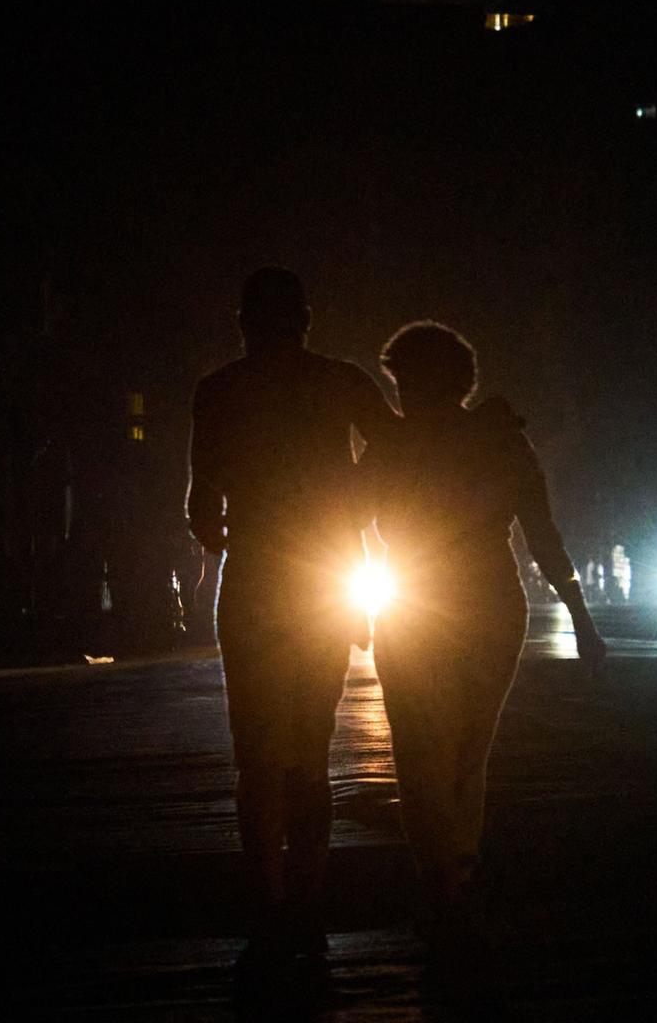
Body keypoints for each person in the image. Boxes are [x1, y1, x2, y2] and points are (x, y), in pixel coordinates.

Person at [361, 321, 606, 968]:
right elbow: (542, 534)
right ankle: (455, 874)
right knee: (468, 749)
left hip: (414, 605)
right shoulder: (501, 438)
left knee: (421, 750)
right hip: (491, 607)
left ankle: (441, 880)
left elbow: (346, 519)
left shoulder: (391, 442)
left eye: (405, 380)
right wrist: (580, 615)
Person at [184, 267, 401, 979]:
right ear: (306, 320)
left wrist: (237, 527)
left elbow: (202, 509)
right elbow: (401, 451)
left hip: (253, 582)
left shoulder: (217, 392)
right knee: (310, 747)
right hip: (320, 579)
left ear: (244, 322)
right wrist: (350, 503)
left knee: (254, 751)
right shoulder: (341, 381)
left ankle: (267, 903)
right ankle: (307, 901)